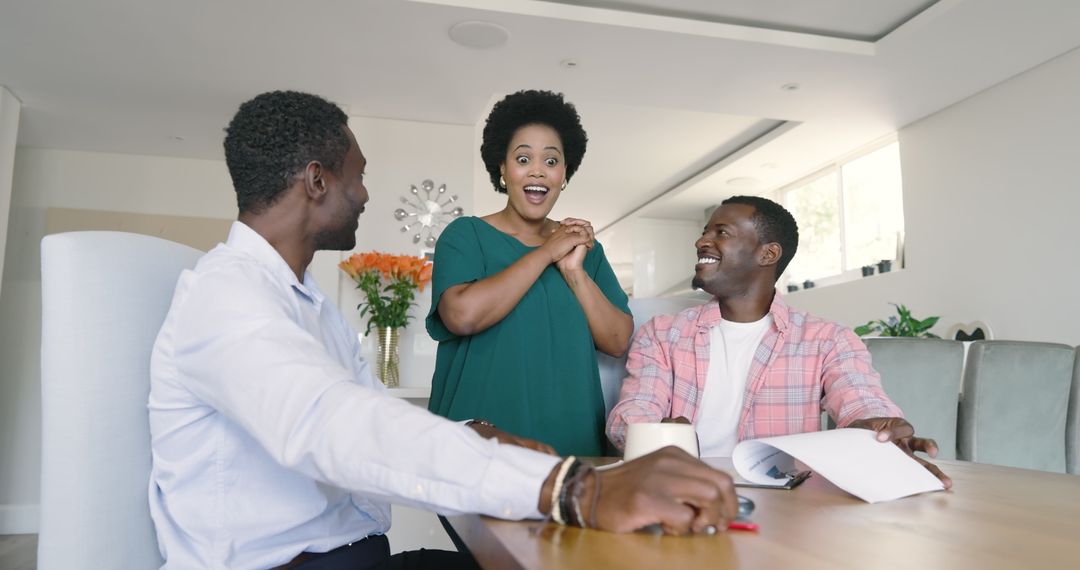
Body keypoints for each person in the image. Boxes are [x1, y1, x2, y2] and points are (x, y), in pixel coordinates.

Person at [148, 91, 739, 570]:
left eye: (552, 159)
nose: (365, 194)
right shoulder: (226, 296)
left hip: (352, 554)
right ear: (317, 181)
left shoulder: (306, 304)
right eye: (358, 176)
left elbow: (367, 412)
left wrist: (470, 435)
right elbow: (331, 424)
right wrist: (573, 487)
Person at [606, 195, 952, 487]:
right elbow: (632, 413)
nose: (702, 242)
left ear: (768, 254)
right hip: (681, 492)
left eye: (721, 232)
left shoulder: (828, 340)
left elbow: (861, 398)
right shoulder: (662, 333)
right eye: (704, 232)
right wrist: (655, 433)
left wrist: (877, 428)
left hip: (787, 503)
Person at [426, 89, 632, 457]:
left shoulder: (584, 250)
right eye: (523, 158)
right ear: (502, 170)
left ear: (564, 174)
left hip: (572, 445)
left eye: (551, 161)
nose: (537, 170)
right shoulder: (466, 235)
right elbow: (462, 315)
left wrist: (574, 272)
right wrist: (547, 251)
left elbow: (617, 341)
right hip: (479, 446)